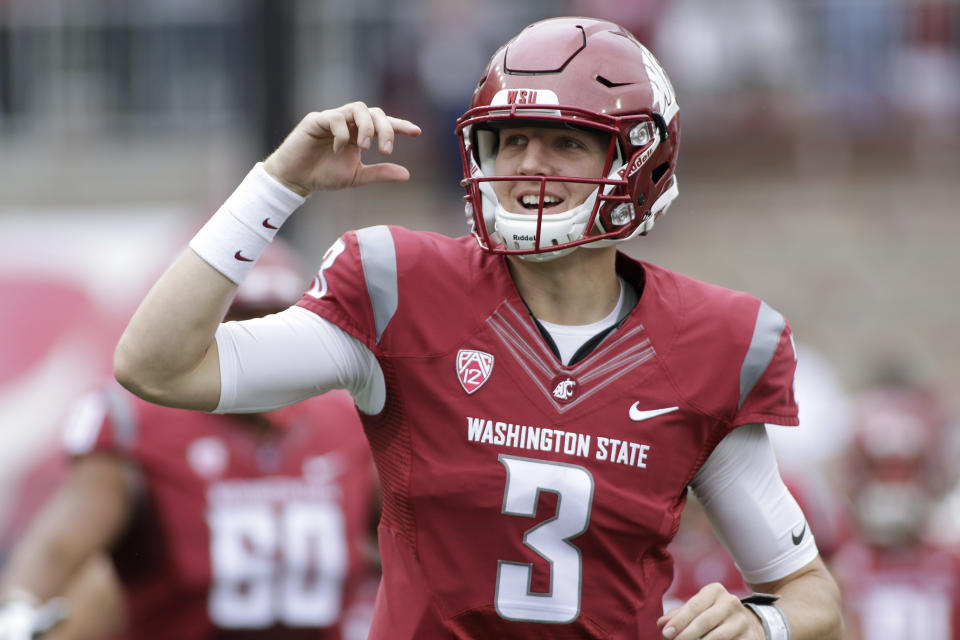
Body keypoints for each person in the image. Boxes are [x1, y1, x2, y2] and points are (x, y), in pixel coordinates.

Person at [113, 16, 843, 640]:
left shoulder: (711, 342)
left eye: (566, 143)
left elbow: (811, 595)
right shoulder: (401, 288)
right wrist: (278, 183)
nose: (529, 167)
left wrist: (762, 622)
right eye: (512, 138)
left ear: (638, 160)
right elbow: (158, 366)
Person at [0, 243, 378, 640]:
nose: (258, 340)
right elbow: (57, 550)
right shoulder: (138, 424)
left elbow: (419, 540)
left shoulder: (346, 422)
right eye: (237, 321)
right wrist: (17, 610)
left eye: (273, 321)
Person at [830, 384, 960, 639]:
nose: (894, 486)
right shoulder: (842, 562)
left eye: (905, 471)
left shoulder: (950, 563)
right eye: (882, 471)